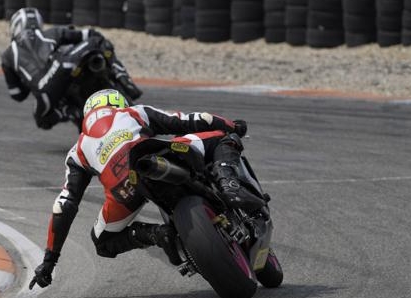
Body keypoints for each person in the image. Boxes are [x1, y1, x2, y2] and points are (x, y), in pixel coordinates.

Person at [28, 89, 264, 289]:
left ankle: (157, 235)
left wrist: (49, 261)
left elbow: (64, 205)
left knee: (102, 241)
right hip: (157, 152)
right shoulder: (132, 112)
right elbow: (189, 119)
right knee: (222, 136)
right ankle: (227, 181)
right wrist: (233, 125)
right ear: (118, 103)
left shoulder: (77, 151)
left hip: (125, 188)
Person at [0, 7, 142, 130]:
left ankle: (71, 112)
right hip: (62, 67)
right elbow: (89, 34)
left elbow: (17, 94)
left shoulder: (7, 56)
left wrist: (26, 80)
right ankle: (124, 79)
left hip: (44, 94)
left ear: (14, 27)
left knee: (41, 120)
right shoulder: (51, 33)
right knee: (97, 40)